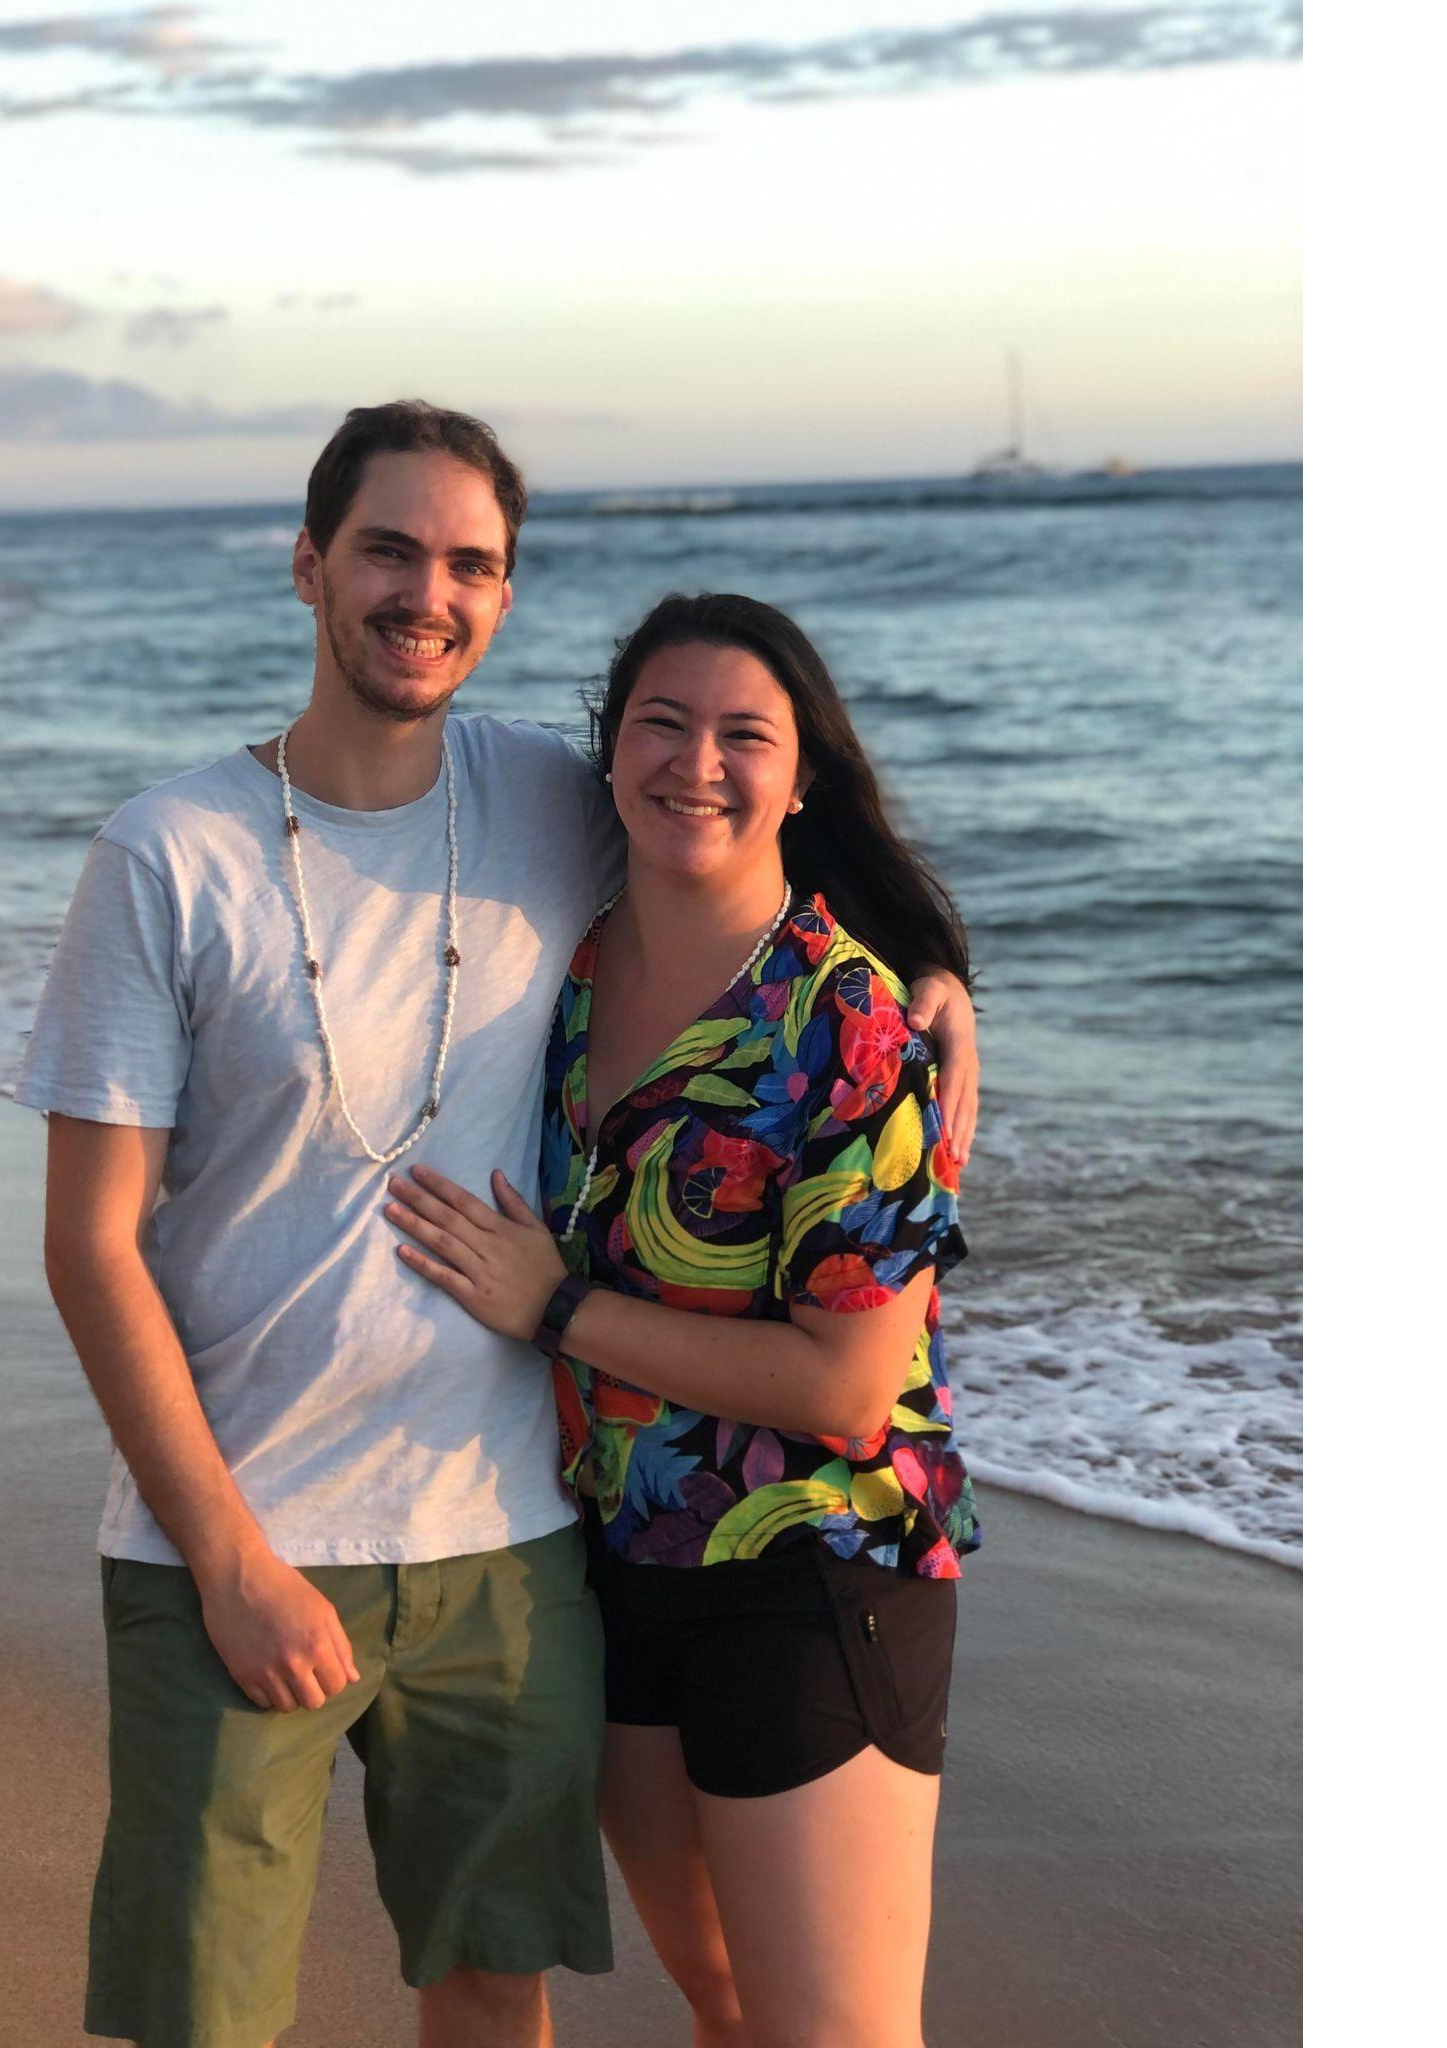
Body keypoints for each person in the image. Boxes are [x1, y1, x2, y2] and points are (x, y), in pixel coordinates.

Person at [17, 405, 981, 2048]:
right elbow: (88, 1244)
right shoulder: (170, 854)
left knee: (495, 1983)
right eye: (388, 550)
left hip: (518, 1542)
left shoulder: (545, 796)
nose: (428, 594)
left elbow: (759, 831)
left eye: (470, 562)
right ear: (309, 563)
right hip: (246, 1536)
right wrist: (227, 1562)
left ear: (506, 596)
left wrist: (939, 986)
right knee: (203, 2016)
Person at [383, 591, 975, 2048]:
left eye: (743, 736)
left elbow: (847, 1385)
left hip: (816, 1565)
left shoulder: (849, 1025)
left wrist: (556, 1307)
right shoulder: (567, 975)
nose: (695, 763)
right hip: (616, 1561)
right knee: (721, 2003)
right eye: (661, 723)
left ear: (803, 776)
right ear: (609, 755)